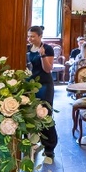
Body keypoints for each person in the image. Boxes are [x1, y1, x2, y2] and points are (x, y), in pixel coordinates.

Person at [26, 25, 58, 161]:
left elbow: (48, 69)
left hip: (44, 85)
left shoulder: (47, 48)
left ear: (40, 36)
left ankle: (49, 147)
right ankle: (33, 143)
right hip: (31, 85)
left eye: (33, 36)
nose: (30, 39)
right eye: (29, 36)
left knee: (45, 114)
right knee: (32, 114)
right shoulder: (27, 49)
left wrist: (42, 55)